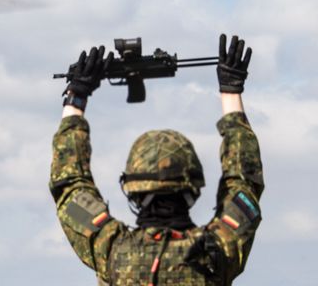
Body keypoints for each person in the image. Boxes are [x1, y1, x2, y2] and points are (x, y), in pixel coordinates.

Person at [50, 35, 263, 285]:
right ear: (194, 188)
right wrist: (231, 90)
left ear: (131, 189)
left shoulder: (113, 252)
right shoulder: (218, 251)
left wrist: (76, 96)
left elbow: (69, 184)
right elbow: (244, 181)